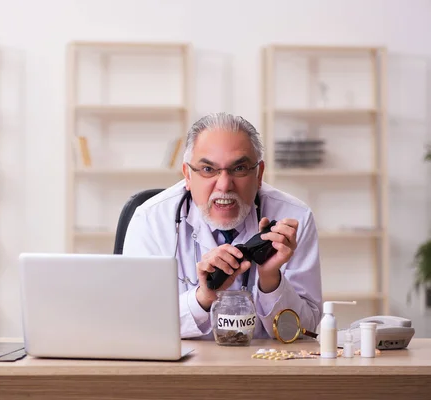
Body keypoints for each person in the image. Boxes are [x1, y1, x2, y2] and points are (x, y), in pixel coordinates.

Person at [122, 112, 322, 339]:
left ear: (259, 174)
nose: (225, 185)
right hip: (182, 371)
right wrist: (203, 297)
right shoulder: (151, 219)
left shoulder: (294, 219)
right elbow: (137, 324)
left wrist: (271, 280)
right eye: (208, 170)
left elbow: (309, 331)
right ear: (187, 175)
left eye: (239, 169)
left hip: (265, 369)